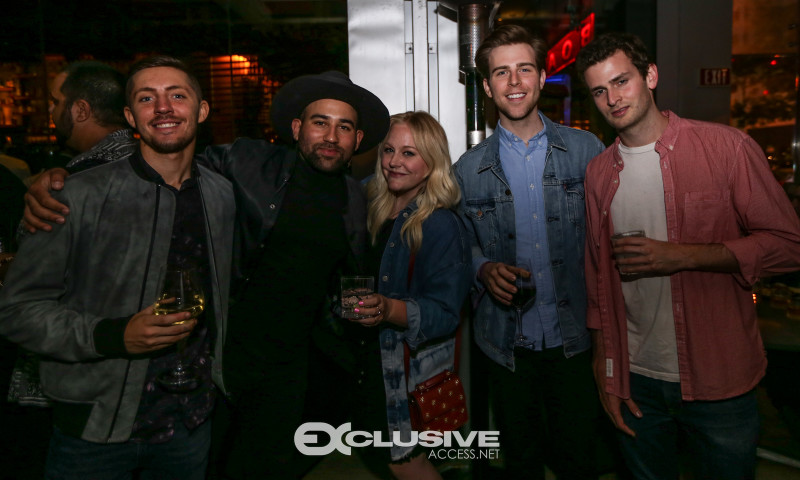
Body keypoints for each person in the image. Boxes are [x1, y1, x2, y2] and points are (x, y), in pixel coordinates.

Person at [22, 70, 390, 479]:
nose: (331, 136)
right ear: (297, 128)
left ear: (357, 139)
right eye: (320, 122)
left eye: (344, 127)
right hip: (223, 359)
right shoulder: (250, 162)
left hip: (290, 368)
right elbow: (169, 160)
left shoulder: (356, 198)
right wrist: (63, 177)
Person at [576, 32, 800, 479]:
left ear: (651, 76)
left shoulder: (726, 149)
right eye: (599, 91)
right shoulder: (599, 173)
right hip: (637, 379)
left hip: (719, 378)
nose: (612, 99)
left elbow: (788, 246)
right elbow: (599, 282)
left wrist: (682, 256)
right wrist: (606, 370)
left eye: (621, 81)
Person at [0, 55, 235, 479]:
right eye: (147, 98)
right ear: (130, 117)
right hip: (94, 429)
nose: (162, 108)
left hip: (190, 422)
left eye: (177, 96)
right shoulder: (75, 195)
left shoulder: (221, 195)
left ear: (201, 110)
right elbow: (17, 311)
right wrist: (112, 335)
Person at [452, 24, 605, 479]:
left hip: (576, 340)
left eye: (524, 69)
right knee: (520, 463)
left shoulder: (587, 151)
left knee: (580, 462)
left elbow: (610, 240)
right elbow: (460, 246)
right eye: (501, 72)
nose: (514, 81)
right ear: (487, 87)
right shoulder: (467, 171)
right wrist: (482, 268)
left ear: (541, 77)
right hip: (505, 345)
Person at [347, 111, 471, 479]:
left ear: (432, 162)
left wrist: (388, 309)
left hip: (402, 372)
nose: (394, 162)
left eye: (409, 153)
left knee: (405, 464)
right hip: (365, 362)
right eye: (388, 150)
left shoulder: (440, 224)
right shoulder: (371, 203)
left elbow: (445, 313)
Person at [49, 61, 137, 173]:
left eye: (55, 102)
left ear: (81, 111)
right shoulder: (143, 156)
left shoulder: (87, 170)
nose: (50, 109)